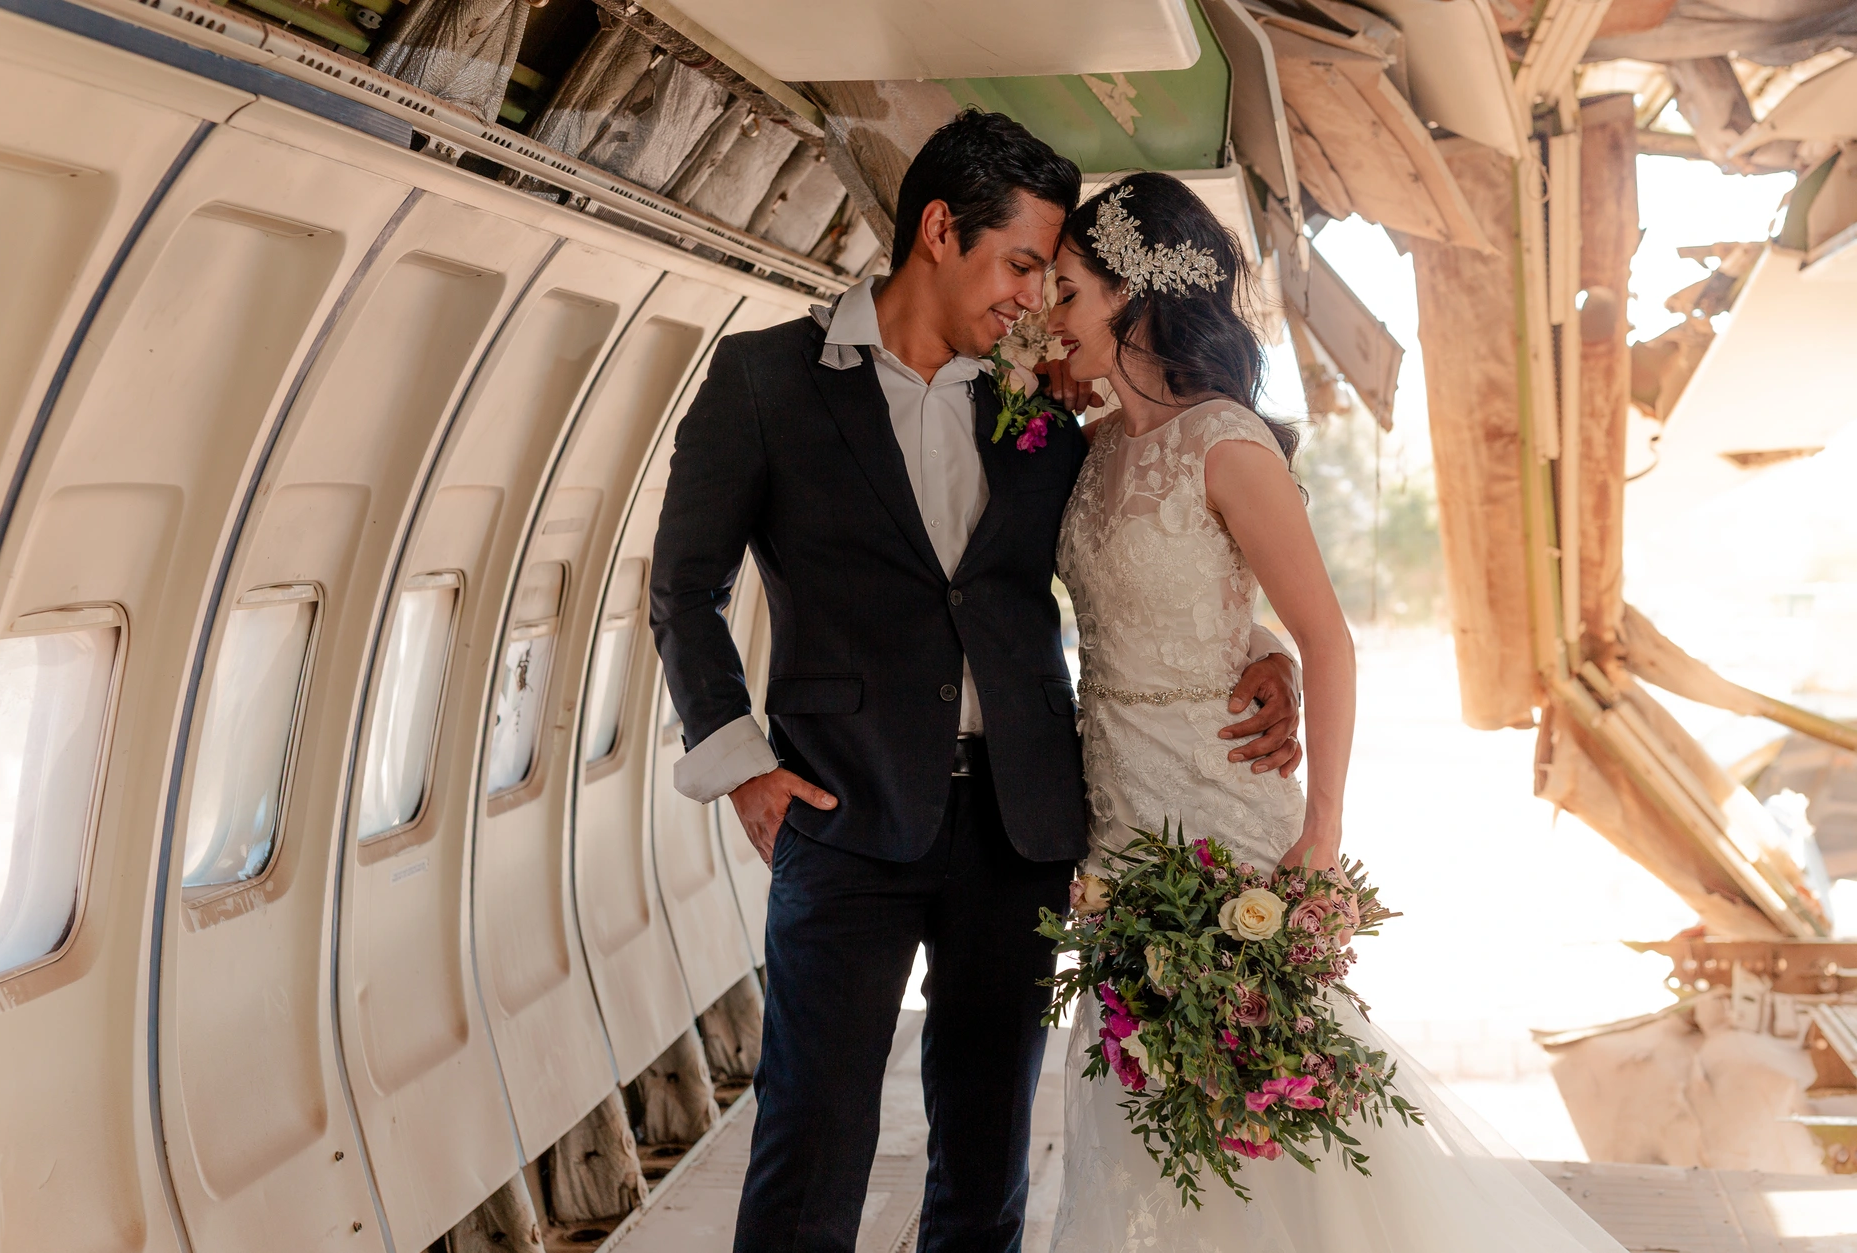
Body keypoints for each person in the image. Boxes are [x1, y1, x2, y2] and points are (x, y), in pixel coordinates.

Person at [649, 115, 1304, 1252]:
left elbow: (1158, 554)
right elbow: (681, 589)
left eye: (1050, 281)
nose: (1029, 302)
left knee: (987, 1151)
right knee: (811, 1138)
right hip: (840, 813)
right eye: (1016, 268)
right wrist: (739, 763)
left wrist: (1262, 647)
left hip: (1022, 819)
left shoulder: (1046, 405)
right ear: (938, 230)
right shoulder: (764, 378)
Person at [1044, 171, 1625, 1252]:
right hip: (1117, 815)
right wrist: (1250, 647)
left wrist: (1321, 830)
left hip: (1225, 812)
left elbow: (1326, 637)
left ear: (1131, 292)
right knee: (1144, 1090)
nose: (1051, 313)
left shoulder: (1224, 440)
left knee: (1270, 1098)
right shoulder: (1092, 449)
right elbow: (1183, 607)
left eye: (1069, 289)